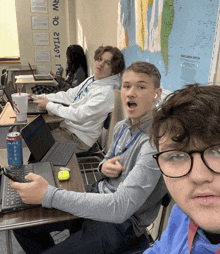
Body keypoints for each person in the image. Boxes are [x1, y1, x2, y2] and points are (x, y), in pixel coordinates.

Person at [11, 61, 167, 254]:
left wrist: (48, 195)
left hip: (120, 224)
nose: (131, 92)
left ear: (156, 94)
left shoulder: (156, 143)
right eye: (126, 86)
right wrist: (103, 167)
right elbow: (104, 162)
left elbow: (121, 207)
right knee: (22, 227)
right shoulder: (122, 127)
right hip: (97, 197)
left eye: (141, 86)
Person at [143, 83, 220, 254]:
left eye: (218, 151)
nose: (199, 176)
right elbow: (163, 249)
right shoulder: (185, 211)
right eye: (176, 156)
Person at [32, 45, 125, 153]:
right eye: (100, 59)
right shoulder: (93, 79)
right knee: (36, 133)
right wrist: (43, 97)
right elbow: (70, 95)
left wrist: (49, 105)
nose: (101, 64)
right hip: (69, 129)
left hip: (79, 139)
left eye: (107, 63)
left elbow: (78, 115)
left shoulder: (105, 94)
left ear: (113, 71)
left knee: (39, 144)